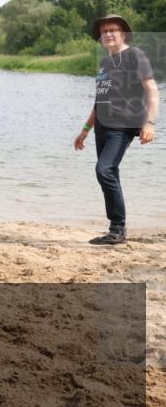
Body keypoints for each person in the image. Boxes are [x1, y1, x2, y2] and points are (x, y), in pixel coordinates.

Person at [74, 14, 158, 244]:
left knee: (104, 170)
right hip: (102, 126)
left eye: (113, 30)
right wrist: (85, 129)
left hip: (123, 126)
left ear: (123, 34)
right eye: (104, 31)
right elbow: (99, 101)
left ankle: (117, 229)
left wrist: (149, 122)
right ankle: (117, 229)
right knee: (109, 173)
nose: (108, 34)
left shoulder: (135, 56)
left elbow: (152, 90)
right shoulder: (105, 63)